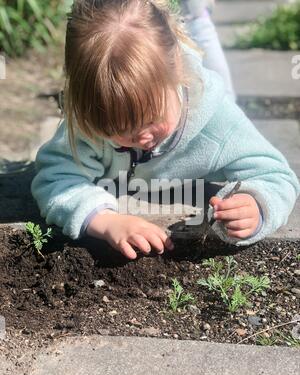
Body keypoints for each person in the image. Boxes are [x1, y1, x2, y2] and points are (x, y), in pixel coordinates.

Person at [31, 0, 299, 260]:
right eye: (119, 129)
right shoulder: (94, 117)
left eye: (152, 119)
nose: (142, 137)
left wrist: (256, 206)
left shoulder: (217, 122)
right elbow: (55, 177)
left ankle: (196, 16)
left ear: (177, 76)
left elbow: (276, 175)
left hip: (201, 90)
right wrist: (104, 220)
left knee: (216, 70)